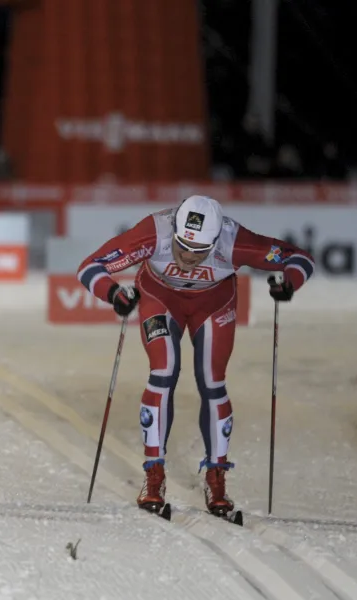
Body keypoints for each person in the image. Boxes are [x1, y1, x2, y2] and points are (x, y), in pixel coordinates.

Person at [76, 195, 315, 517]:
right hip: (159, 299)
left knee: (212, 381)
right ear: (174, 231)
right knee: (164, 372)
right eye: (182, 246)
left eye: (199, 251)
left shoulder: (236, 241)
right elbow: (90, 267)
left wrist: (289, 284)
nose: (188, 257)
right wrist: (113, 294)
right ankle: (153, 475)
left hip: (213, 305)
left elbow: (301, 259)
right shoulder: (154, 231)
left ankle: (217, 478)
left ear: (216, 240)